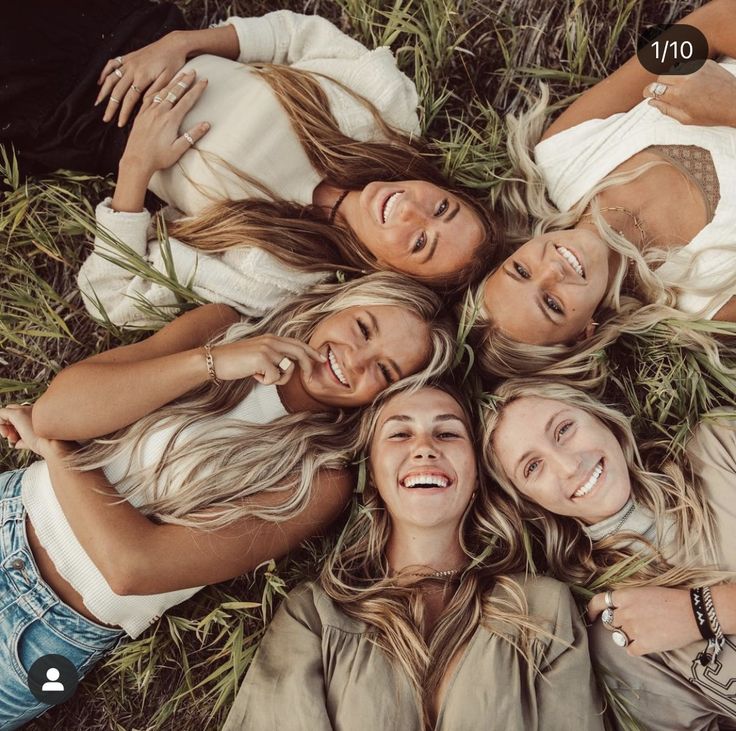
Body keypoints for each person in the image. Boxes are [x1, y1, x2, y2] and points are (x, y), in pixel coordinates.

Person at [0, 272, 454, 729]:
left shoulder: (318, 480)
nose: (355, 359)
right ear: (342, 304)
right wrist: (211, 363)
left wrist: (57, 450)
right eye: (362, 327)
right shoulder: (224, 327)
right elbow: (56, 413)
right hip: (9, 510)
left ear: (387, 397)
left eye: (385, 370)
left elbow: (132, 568)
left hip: (43, 631)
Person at [2, 4, 499, 328]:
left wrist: (135, 167)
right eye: (442, 208)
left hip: (80, 110)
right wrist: (182, 43)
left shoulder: (279, 274)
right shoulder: (386, 114)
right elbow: (298, 37)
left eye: (419, 243)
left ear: (390, 273)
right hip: (133, 27)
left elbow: (111, 300)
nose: (414, 211)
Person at [222, 383, 604, 730]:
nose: (425, 447)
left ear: (476, 476)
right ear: (372, 473)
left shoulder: (542, 608)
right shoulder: (315, 615)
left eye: (448, 433)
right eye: (400, 433)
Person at [466, 0, 736, 377]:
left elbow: (707, 26)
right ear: (583, 335)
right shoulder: (704, 301)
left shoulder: (563, 155)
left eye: (521, 271)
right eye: (552, 304)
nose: (552, 269)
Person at [482, 378, 736, 729]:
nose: (569, 465)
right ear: (527, 502)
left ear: (599, 416)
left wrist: (700, 612)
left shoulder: (721, 446)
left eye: (564, 429)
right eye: (532, 467)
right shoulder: (617, 631)